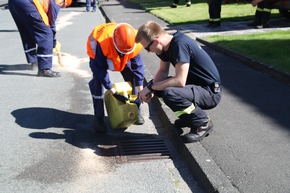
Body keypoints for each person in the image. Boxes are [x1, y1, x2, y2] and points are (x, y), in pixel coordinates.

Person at [135, 21, 222, 143]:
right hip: (197, 86)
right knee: (160, 88)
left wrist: (150, 87)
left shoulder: (179, 45)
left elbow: (180, 81)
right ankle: (190, 118)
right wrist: (151, 88)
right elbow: (163, 70)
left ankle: (202, 123)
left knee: (170, 93)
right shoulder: (165, 48)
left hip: (211, 91)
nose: (149, 52)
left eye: (147, 48)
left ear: (155, 41)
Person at [87, 23, 145, 133]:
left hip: (118, 51)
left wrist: (140, 92)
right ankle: (99, 118)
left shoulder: (135, 41)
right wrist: (114, 92)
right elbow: (100, 71)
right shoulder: (102, 43)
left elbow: (138, 67)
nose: (123, 54)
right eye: (121, 52)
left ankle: (137, 110)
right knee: (97, 83)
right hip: (98, 57)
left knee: (132, 76)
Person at [8, 0, 72, 77]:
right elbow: (51, 22)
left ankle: (34, 61)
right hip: (25, 3)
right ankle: (44, 69)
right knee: (46, 33)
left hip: (13, 3)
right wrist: (53, 41)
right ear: (64, 2)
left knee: (27, 30)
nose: (61, 7)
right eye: (63, 6)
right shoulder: (57, 1)